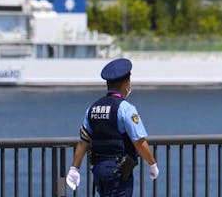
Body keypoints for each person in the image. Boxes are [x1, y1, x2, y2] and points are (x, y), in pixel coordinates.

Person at [67, 58, 159, 195]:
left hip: (98, 168)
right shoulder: (126, 108)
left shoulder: (93, 108)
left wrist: (74, 168)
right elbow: (139, 141)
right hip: (118, 170)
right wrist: (152, 164)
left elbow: (83, 141)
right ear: (126, 83)